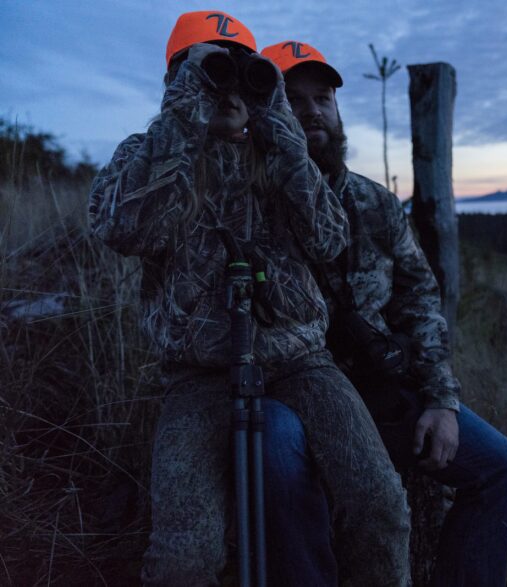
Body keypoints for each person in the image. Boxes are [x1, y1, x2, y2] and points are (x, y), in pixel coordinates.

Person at [89, 12, 410, 586]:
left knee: (381, 506)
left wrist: (280, 129)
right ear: (176, 81)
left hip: (302, 362)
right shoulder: (147, 153)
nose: (228, 88)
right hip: (198, 374)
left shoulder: (281, 155)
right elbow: (123, 228)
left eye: (241, 72)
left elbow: (330, 239)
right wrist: (185, 120)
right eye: (212, 69)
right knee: (183, 556)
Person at [261, 40, 507, 586]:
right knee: (278, 453)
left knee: (503, 468)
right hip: (291, 393)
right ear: (269, 111)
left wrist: (439, 400)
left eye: (322, 99)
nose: (311, 110)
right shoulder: (250, 204)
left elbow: (419, 299)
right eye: (293, 99)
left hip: (385, 389)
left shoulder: (375, 202)